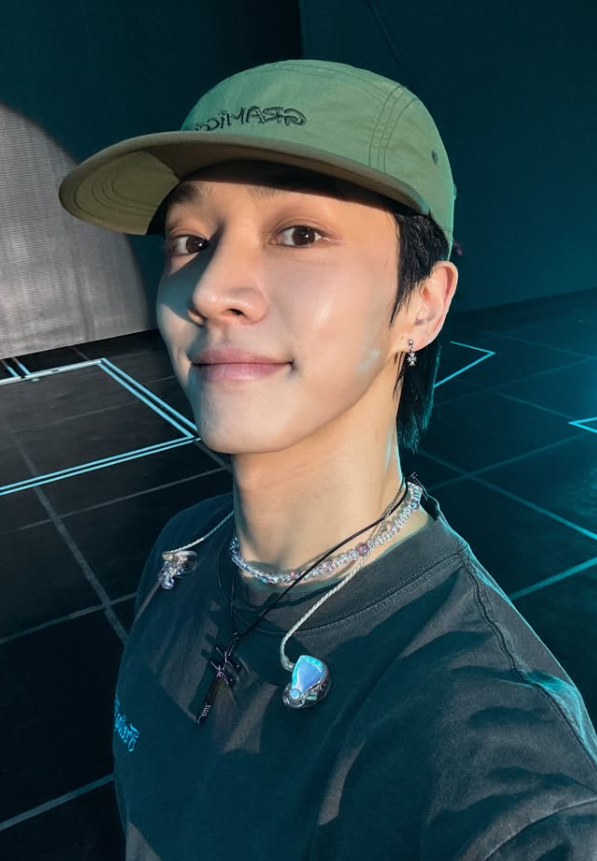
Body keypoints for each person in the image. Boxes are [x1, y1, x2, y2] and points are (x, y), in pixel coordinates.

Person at [59, 59, 597, 860]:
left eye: (299, 233)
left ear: (422, 304)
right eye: (190, 240)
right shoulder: (182, 551)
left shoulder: (484, 738)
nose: (208, 287)